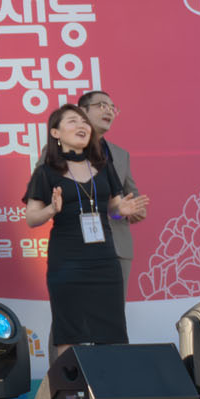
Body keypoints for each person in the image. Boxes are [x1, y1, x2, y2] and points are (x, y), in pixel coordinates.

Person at [24, 103, 150, 356]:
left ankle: (110, 382)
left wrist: (121, 210)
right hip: (67, 261)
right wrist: (52, 209)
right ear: (56, 133)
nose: (81, 125)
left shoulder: (104, 167)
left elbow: (113, 207)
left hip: (104, 259)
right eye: (72, 121)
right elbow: (32, 218)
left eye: (84, 122)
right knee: (70, 330)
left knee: (111, 329)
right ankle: (69, 383)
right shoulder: (46, 172)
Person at [77, 90, 143, 302]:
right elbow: (44, 191)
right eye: (101, 106)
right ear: (82, 111)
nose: (109, 111)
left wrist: (136, 208)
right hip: (78, 245)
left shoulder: (120, 154)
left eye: (112, 108)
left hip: (117, 247)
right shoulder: (60, 150)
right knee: (78, 311)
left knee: (113, 313)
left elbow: (131, 193)